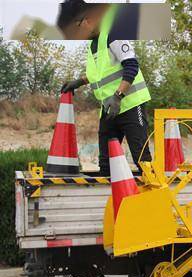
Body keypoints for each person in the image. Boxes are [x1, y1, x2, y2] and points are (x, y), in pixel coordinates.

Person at [58, 1, 151, 176]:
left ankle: (155, 198)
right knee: (106, 164)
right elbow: (100, 75)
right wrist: (79, 81)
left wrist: (118, 96)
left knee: (142, 158)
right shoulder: (93, 44)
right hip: (109, 110)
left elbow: (131, 66)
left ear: (88, 20)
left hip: (131, 105)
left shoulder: (113, 34)